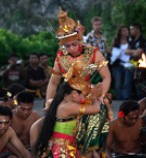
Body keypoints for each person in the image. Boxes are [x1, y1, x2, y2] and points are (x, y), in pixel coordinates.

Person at [45, 8, 112, 157]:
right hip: (69, 97)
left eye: (74, 44)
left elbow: (106, 77)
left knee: (96, 122)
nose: (71, 48)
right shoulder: (60, 57)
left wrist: (101, 96)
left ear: (80, 39)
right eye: (66, 46)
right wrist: (48, 103)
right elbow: (53, 83)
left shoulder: (93, 52)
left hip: (90, 96)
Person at [34, 82, 102, 157]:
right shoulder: (69, 107)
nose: (84, 98)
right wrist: (94, 97)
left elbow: (48, 103)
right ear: (74, 94)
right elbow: (96, 108)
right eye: (84, 95)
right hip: (62, 149)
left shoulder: (59, 102)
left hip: (59, 144)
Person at [110, 25, 133, 100]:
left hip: (128, 63)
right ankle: (119, 99)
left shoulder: (131, 41)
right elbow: (111, 50)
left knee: (127, 82)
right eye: (123, 30)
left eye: (126, 30)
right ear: (120, 32)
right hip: (117, 63)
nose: (125, 32)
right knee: (118, 83)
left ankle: (126, 98)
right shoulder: (116, 41)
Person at [125, 23, 146, 99]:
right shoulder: (131, 40)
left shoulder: (143, 40)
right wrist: (134, 51)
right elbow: (126, 51)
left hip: (140, 65)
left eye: (132, 29)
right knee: (128, 83)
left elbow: (138, 53)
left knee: (138, 84)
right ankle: (126, 101)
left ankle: (141, 100)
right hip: (130, 64)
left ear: (137, 29)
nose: (130, 31)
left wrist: (131, 52)